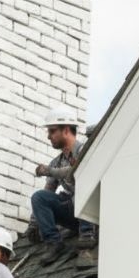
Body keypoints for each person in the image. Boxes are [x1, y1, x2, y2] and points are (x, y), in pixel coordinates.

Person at [30, 107, 96, 264]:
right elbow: (48, 190)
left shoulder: (85, 150)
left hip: (93, 211)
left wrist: (49, 171)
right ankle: (53, 243)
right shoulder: (57, 162)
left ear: (66, 130)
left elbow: (75, 171)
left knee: (83, 180)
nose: (48, 136)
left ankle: (87, 234)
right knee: (39, 197)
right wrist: (33, 223)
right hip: (74, 212)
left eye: (52, 131)